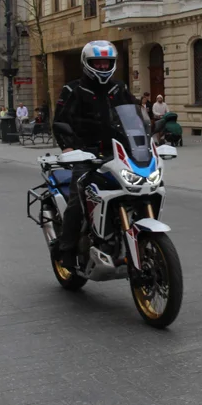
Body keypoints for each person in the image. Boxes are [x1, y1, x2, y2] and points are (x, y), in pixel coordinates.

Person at [52, 40, 136, 270]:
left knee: (138, 188)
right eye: (96, 63)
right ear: (86, 63)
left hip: (117, 153)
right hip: (85, 154)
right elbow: (60, 121)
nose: (101, 67)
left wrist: (148, 140)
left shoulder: (119, 88)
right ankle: (66, 250)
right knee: (78, 201)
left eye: (105, 62)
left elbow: (134, 117)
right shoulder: (73, 90)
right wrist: (68, 148)